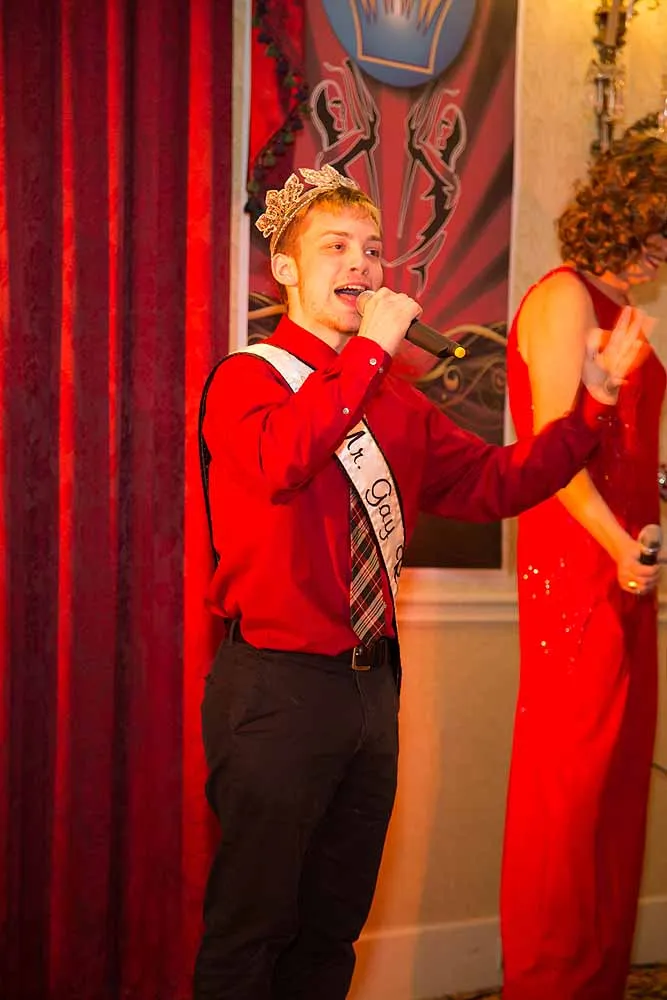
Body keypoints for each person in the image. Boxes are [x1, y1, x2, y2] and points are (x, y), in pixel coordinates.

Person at [193, 163, 647, 1000]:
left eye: (372, 249)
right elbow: (283, 460)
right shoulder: (246, 379)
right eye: (335, 247)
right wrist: (370, 352)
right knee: (251, 928)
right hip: (276, 687)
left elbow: (496, 484)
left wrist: (587, 411)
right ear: (285, 269)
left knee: (331, 929)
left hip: (371, 691)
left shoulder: (396, 404)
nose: (361, 264)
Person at [500, 130, 667, 1000]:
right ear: (619, 212)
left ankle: (594, 979)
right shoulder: (564, 296)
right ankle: (550, 982)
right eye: (656, 227)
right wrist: (618, 548)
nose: (662, 249)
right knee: (567, 793)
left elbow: (628, 451)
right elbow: (550, 457)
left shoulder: (619, 306)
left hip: (625, 568)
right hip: (576, 566)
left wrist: (645, 532)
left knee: (613, 794)